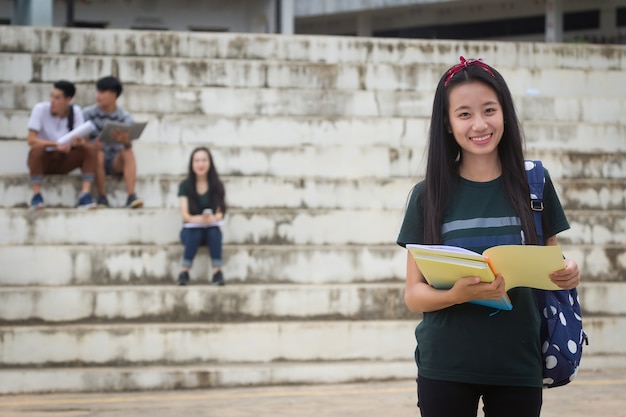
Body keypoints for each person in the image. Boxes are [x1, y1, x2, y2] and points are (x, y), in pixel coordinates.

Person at [396, 57, 581, 417]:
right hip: (446, 365)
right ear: (447, 124)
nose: (479, 124)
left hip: (518, 363)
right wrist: (456, 294)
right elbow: (414, 295)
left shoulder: (535, 185)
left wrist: (569, 272)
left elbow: (552, 264)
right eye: (464, 114)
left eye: (489, 110)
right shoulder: (428, 195)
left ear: (505, 114)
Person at [26, 80, 97, 209]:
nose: (52, 101)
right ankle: (36, 195)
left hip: (65, 157)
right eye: (52, 96)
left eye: (57, 98)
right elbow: (31, 139)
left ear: (68, 99)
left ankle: (85, 194)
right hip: (45, 158)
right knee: (36, 150)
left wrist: (78, 142)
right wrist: (55, 144)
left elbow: (81, 138)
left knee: (90, 149)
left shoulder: (75, 111)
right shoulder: (40, 109)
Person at [82, 76, 143, 209]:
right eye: (98, 91)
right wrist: (92, 146)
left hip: (115, 159)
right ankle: (102, 196)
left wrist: (125, 140)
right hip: (96, 158)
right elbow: (80, 142)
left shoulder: (124, 116)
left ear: (114, 95)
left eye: (103, 92)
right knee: (98, 154)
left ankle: (131, 195)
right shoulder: (88, 114)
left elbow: (128, 145)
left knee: (128, 152)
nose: (98, 95)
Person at [177, 147, 227, 286]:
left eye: (204, 160)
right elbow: (185, 216)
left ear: (210, 162)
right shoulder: (185, 185)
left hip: (210, 230)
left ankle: (217, 272)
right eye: (197, 161)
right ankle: (184, 271)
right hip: (191, 230)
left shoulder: (217, 185)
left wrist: (213, 219)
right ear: (192, 164)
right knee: (195, 232)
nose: (200, 164)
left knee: (214, 232)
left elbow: (220, 213)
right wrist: (199, 219)